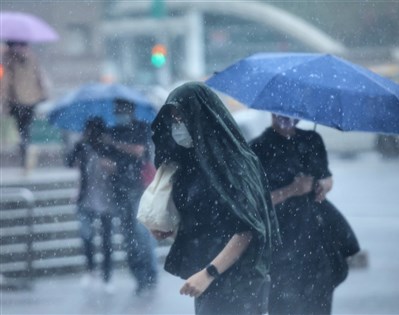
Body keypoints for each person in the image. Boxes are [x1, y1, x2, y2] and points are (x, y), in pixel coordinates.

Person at [151, 82, 280, 315]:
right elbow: (208, 221)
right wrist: (172, 230)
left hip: (240, 284)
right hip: (211, 283)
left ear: (200, 116)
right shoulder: (195, 165)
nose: (177, 126)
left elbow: (247, 229)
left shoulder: (234, 163)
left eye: (182, 116)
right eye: (173, 119)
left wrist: (208, 273)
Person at [250, 114, 355, 315]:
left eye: (291, 113)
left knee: (319, 304)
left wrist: (321, 186)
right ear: (271, 112)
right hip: (280, 246)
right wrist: (292, 190)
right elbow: (255, 203)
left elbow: (327, 178)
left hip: (315, 241)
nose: (286, 118)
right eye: (279, 112)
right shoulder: (258, 148)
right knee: (284, 305)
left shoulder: (312, 140)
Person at [98, 98, 157, 294]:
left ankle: (150, 274)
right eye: (117, 110)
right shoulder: (112, 130)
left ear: (131, 110)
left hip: (139, 187)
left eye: (123, 109)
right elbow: (106, 159)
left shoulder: (141, 127)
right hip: (119, 189)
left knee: (140, 234)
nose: (120, 113)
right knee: (128, 235)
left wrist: (114, 143)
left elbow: (139, 150)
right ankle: (139, 277)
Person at [66, 118, 115, 293]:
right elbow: (69, 162)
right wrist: (78, 145)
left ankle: (107, 276)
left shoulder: (109, 148)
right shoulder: (82, 146)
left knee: (107, 240)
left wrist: (111, 166)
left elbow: (120, 170)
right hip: (85, 199)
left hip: (107, 199)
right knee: (86, 236)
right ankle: (90, 270)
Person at [0, 41, 47, 168]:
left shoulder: (9, 58)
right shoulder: (32, 57)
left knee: (20, 130)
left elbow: (5, 81)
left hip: (16, 100)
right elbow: (40, 77)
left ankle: (25, 152)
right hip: (32, 100)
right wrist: (43, 94)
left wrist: (4, 100)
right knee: (26, 128)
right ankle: (27, 149)